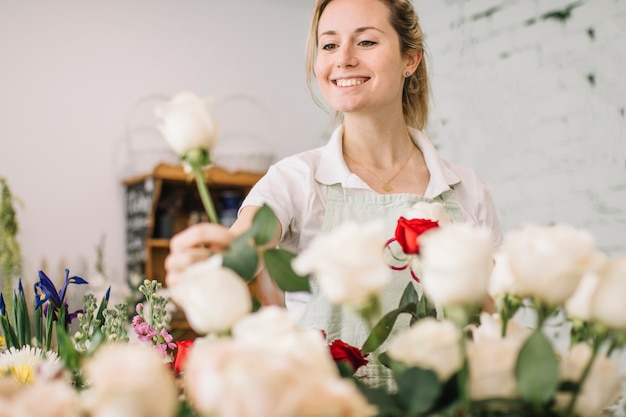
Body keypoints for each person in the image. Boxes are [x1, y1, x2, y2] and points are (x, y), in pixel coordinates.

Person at [165, 0, 502, 387]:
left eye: (366, 42)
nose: (343, 59)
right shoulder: (295, 180)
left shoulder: (467, 189)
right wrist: (205, 267)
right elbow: (243, 250)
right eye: (329, 45)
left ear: (410, 59)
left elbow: (494, 324)